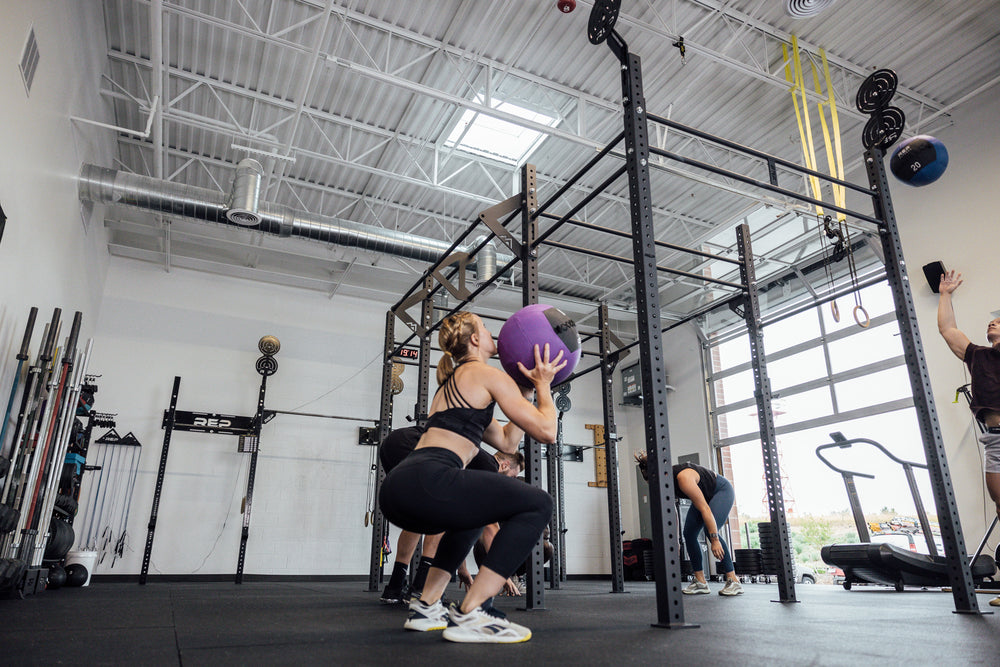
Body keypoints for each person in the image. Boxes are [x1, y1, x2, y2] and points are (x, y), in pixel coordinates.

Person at [379, 311, 562, 643]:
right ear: (475, 339)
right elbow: (548, 431)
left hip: (399, 489)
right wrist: (544, 385)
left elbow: (507, 441)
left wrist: (528, 396)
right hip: (427, 478)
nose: (494, 333)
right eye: (486, 328)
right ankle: (473, 611)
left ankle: (427, 605)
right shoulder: (485, 373)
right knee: (538, 503)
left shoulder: (458, 381)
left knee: (478, 510)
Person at [377, 429, 524, 604]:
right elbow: (490, 527)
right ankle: (421, 590)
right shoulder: (489, 467)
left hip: (393, 445)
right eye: (513, 477)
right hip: (410, 447)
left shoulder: (473, 462)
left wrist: (461, 569)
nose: (511, 482)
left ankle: (394, 588)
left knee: (418, 519)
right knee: (438, 516)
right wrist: (501, 573)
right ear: (505, 465)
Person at [937, 269, 1000, 607]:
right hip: (994, 440)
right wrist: (945, 294)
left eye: (999, 323)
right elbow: (947, 329)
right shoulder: (978, 355)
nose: (992, 324)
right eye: (993, 322)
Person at [634, 453, 743, 596]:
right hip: (705, 497)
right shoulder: (665, 483)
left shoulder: (683, 478)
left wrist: (715, 540)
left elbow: (705, 508)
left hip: (720, 491)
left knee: (709, 531)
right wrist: (675, 541)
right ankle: (700, 581)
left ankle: (733, 580)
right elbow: (672, 512)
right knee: (689, 534)